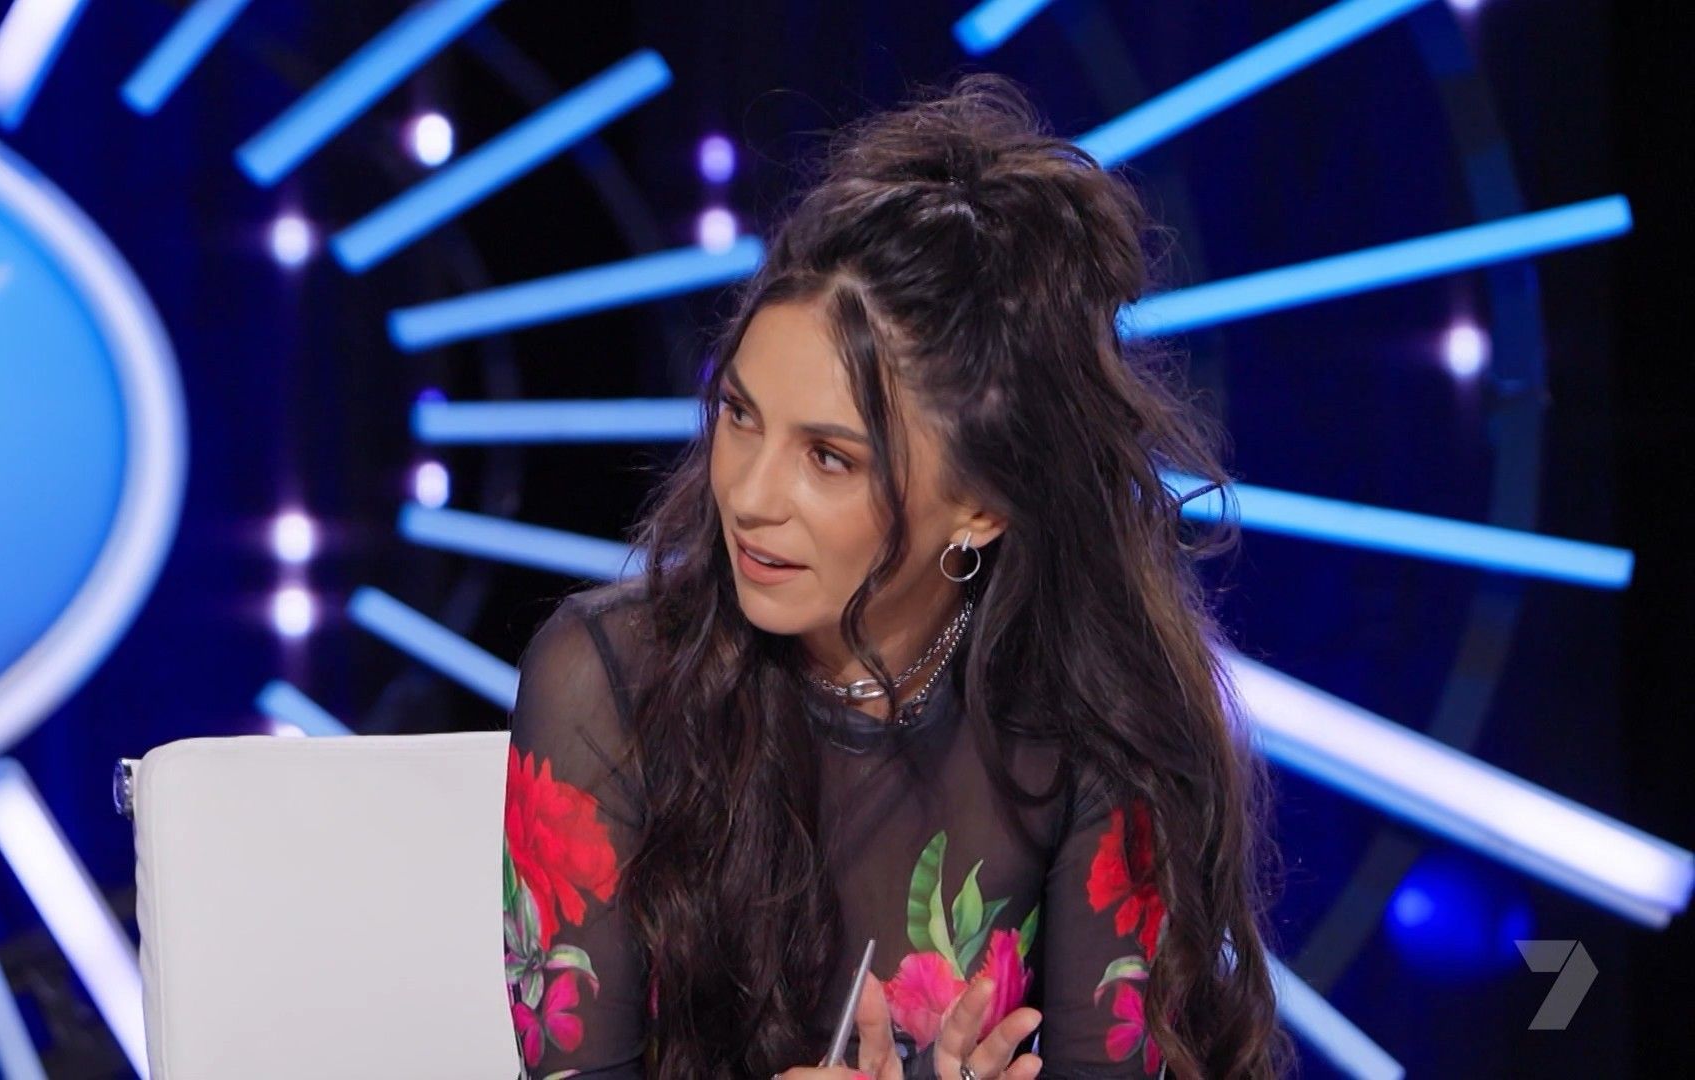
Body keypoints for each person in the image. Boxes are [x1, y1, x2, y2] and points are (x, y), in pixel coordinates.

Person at [499, 73, 1292, 1080]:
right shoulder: (604, 683)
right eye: (741, 415)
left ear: (982, 505)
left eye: (829, 458)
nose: (749, 494)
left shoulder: (1097, 722)